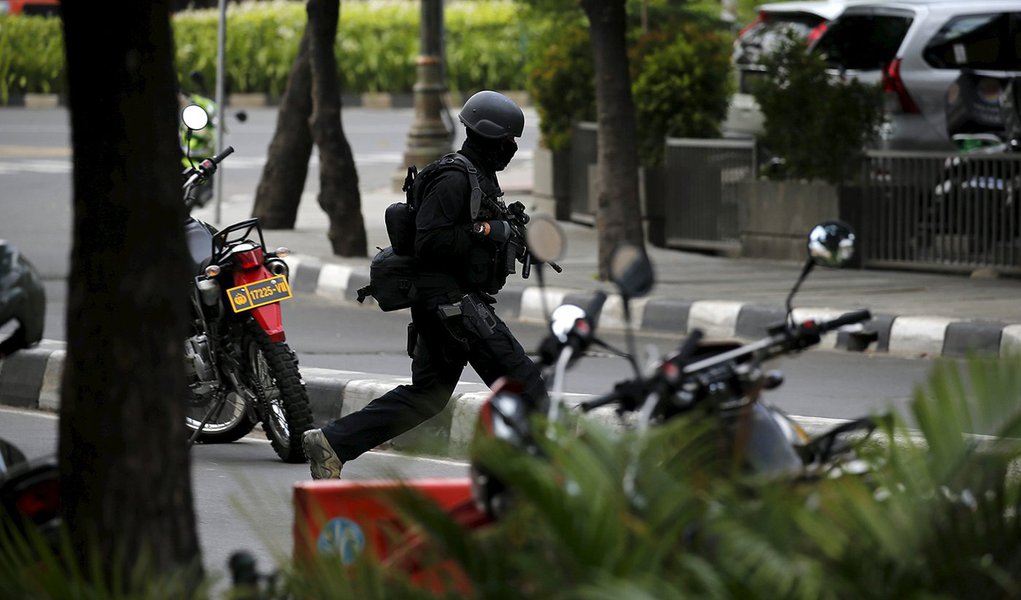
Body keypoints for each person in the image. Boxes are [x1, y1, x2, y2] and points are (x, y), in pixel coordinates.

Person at [302, 90, 548, 479]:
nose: (512, 149)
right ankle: (534, 481)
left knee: (427, 397)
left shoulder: (480, 177)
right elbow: (429, 241)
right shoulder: (454, 178)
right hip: (451, 303)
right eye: (508, 141)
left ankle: (333, 443)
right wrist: (486, 231)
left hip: (450, 302)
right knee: (525, 386)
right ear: (489, 138)